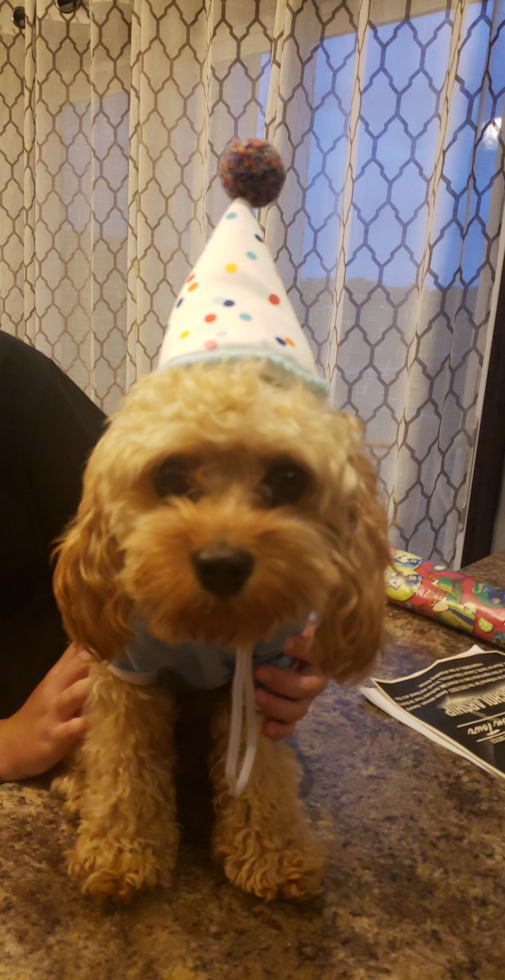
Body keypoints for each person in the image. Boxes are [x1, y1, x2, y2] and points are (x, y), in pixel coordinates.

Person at [0, 332, 327, 781]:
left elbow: (106, 521)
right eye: (177, 479)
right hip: (56, 740)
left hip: (73, 708)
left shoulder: (17, 383)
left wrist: (303, 638)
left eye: (283, 481)